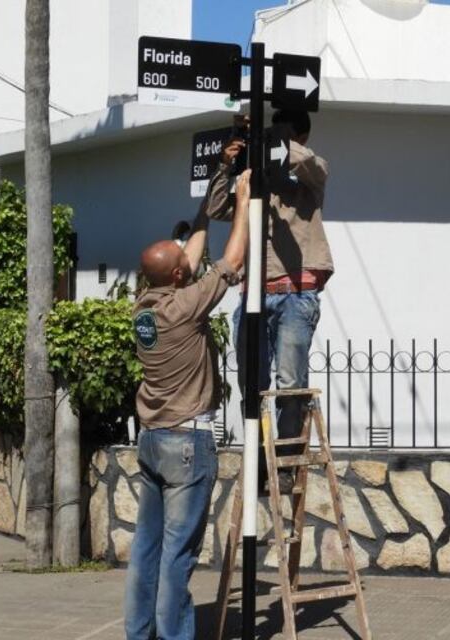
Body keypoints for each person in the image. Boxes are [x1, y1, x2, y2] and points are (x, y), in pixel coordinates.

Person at [124, 170, 252, 640]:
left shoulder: (144, 307)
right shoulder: (186, 307)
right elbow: (231, 259)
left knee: (147, 549)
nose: (190, 261)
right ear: (179, 276)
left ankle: (139, 634)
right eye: (183, 262)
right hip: (185, 445)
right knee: (179, 554)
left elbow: (190, 258)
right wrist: (241, 202)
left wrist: (205, 210)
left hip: (153, 440)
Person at [205, 110, 333, 487]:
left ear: (299, 137)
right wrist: (227, 164)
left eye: (284, 135)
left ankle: (288, 464)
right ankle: (259, 460)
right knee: (253, 384)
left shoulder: (309, 173)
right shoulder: (252, 185)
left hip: (296, 292)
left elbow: (309, 162)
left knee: (289, 383)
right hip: (253, 295)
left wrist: (276, 138)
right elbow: (215, 208)